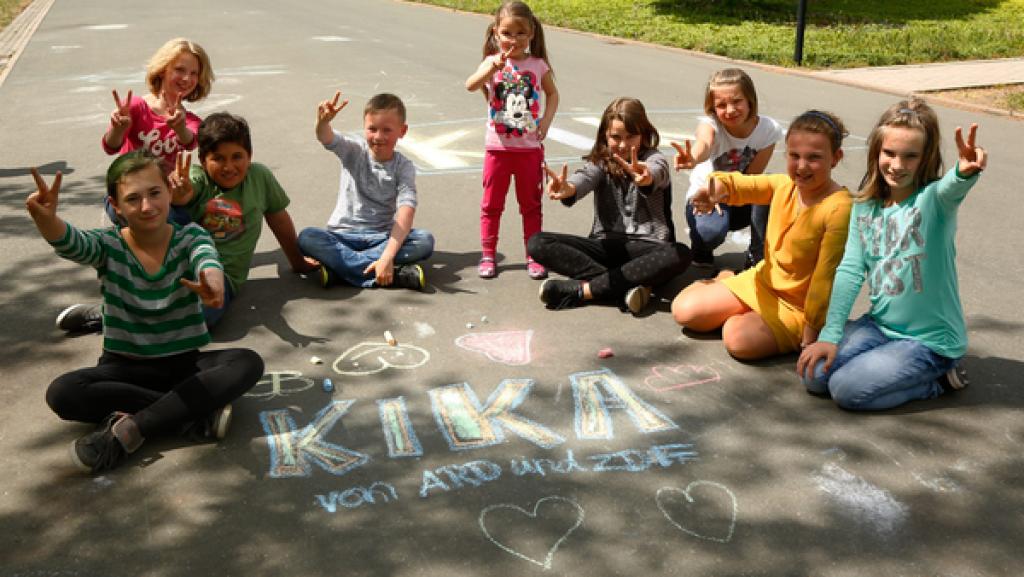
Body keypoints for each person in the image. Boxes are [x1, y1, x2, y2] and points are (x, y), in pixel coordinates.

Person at [27, 152, 264, 474]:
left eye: (154, 193)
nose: (147, 206)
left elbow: (207, 259)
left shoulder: (190, 236)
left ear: (169, 192)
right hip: (123, 367)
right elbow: (72, 242)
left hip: (182, 365)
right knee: (63, 393)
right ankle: (188, 413)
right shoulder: (108, 245)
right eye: (133, 198)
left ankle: (133, 427)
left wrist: (213, 283)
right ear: (116, 206)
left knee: (247, 362)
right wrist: (46, 219)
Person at [797, 100, 986, 410]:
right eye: (890, 153)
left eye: (911, 156)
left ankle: (938, 380)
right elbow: (850, 270)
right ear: (876, 152)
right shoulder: (864, 207)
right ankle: (882, 363)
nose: (898, 165)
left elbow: (951, 187)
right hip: (879, 326)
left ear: (926, 158)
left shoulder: (934, 201)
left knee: (846, 390)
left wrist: (964, 173)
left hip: (929, 342)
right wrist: (830, 335)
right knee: (815, 375)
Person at [57, 113, 317, 330]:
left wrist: (297, 262)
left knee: (201, 317)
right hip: (179, 266)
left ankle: (125, 313)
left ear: (250, 156)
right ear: (203, 160)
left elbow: (278, 219)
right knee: (158, 207)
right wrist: (181, 198)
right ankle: (111, 309)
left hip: (222, 277)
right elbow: (185, 190)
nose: (229, 166)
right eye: (218, 159)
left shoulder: (260, 177)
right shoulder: (194, 177)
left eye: (237, 156)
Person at [672, 110, 852, 361]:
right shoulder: (784, 185)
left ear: (836, 158)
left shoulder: (839, 207)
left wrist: (811, 334)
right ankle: (729, 280)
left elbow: (825, 278)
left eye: (814, 157)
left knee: (738, 339)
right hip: (763, 281)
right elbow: (743, 184)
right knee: (684, 311)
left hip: (798, 306)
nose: (801, 166)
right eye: (794, 156)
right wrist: (715, 189)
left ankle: (739, 306)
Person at [529, 97, 691, 314]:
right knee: (538, 243)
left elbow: (657, 171)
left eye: (631, 136)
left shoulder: (654, 158)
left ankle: (584, 290)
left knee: (680, 253)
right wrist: (568, 188)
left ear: (643, 135)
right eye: (616, 137)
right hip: (606, 245)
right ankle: (625, 286)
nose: (623, 145)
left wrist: (646, 178)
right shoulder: (601, 162)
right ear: (605, 135)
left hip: (648, 248)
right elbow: (584, 178)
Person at [298, 92, 434, 290]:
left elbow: (406, 211)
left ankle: (342, 270)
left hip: (380, 237)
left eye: (387, 130)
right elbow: (326, 137)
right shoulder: (353, 151)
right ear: (364, 127)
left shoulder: (403, 167)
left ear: (402, 131)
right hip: (342, 236)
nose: (378, 137)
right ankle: (390, 275)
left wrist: (387, 255)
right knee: (307, 238)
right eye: (372, 129)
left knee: (424, 241)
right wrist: (323, 122)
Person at [465, 0, 559, 280]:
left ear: (531, 34)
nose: (513, 40)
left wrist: (545, 122)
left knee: (531, 205)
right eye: (507, 33)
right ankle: (488, 254)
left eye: (520, 33)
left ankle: (534, 256)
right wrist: (492, 67)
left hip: (529, 150)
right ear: (496, 32)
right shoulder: (491, 62)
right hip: (498, 149)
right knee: (491, 205)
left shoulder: (538, 65)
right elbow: (470, 84)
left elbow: (553, 94)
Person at [671, 69, 782, 271]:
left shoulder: (768, 129)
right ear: (712, 108)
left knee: (772, 187)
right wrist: (692, 157)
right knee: (710, 234)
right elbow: (704, 143)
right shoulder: (710, 124)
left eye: (737, 101)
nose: (730, 110)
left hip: (739, 193)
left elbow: (753, 177)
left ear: (750, 101)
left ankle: (756, 256)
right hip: (707, 197)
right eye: (721, 105)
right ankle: (701, 249)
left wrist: (732, 193)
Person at [100, 38, 214, 226]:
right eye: (180, 70)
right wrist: (118, 129)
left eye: (194, 73)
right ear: (162, 70)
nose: (187, 78)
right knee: (167, 223)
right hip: (130, 192)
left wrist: (180, 128)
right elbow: (110, 147)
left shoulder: (191, 120)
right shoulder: (136, 107)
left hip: (164, 196)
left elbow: (190, 141)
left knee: (197, 220)